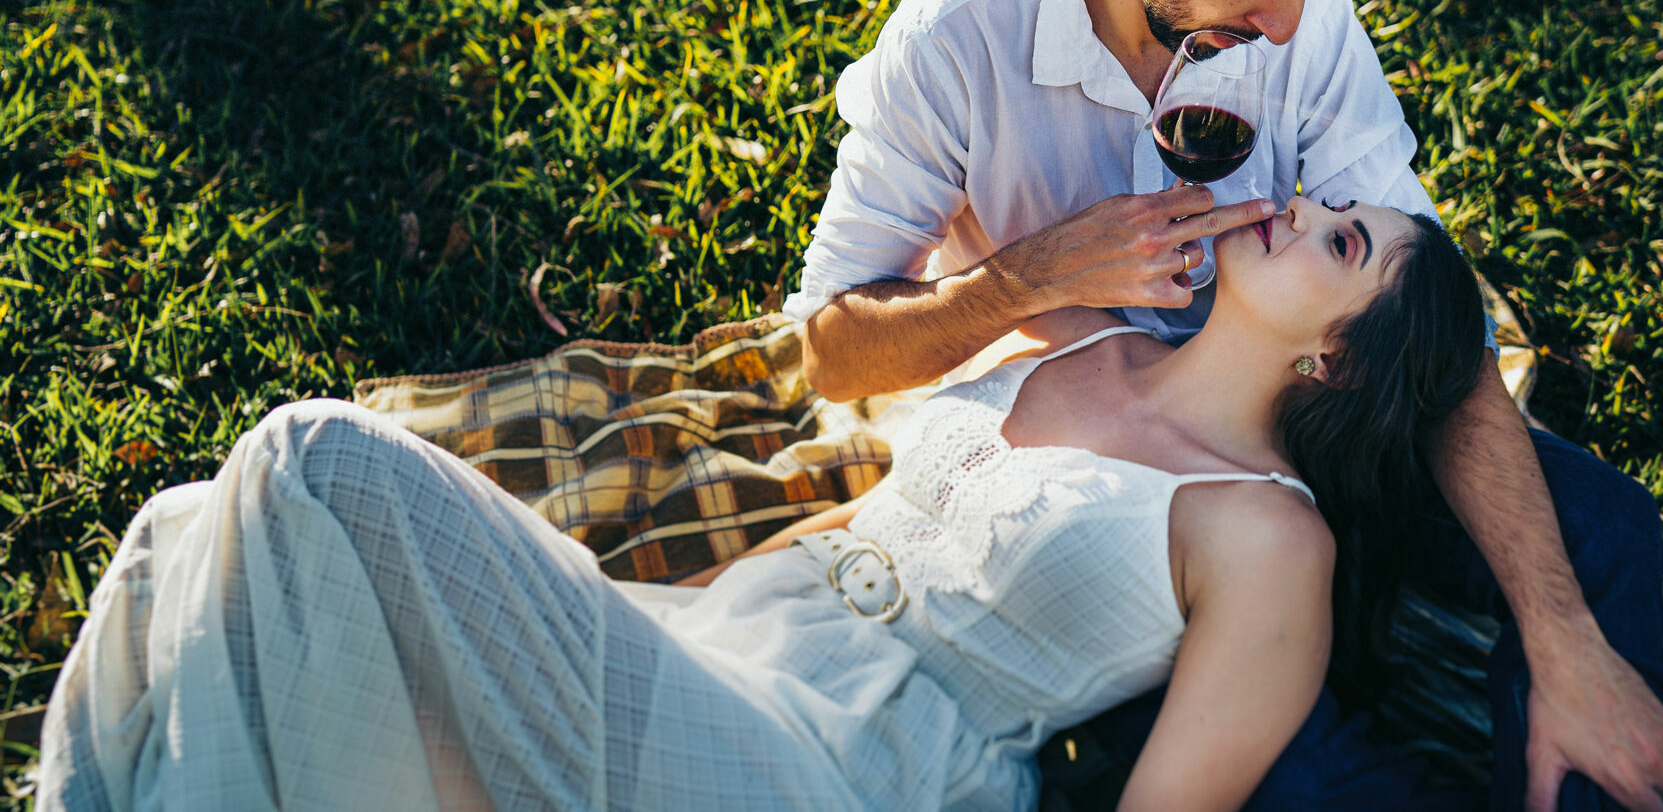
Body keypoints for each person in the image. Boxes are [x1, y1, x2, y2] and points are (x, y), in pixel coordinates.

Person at [787, 0, 1663, 811]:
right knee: (1306, 777)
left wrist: (1562, 644)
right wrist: (1028, 277)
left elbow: (1424, 314)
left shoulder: (1303, 32)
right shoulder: (960, 41)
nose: (1283, 26)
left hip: (1309, 410)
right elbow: (831, 354)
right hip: (1120, 496)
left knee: (1600, 532)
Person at [39, 195, 1484, 811]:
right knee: (194, 531)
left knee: (316, 465)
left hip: (842, 773)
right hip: (704, 649)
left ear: (1338, 356)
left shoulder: (1270, 535)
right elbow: (841, 408)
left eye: (1347, 240)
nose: (1308, 205)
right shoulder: (1084, 338)